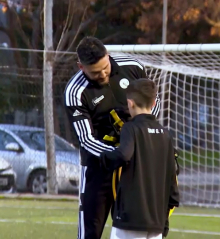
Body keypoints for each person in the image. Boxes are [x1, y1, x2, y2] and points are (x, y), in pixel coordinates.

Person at [64, 36, 161, 239]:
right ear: (81, 66)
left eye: (105, 68)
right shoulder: (75, 92)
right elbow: (86, 139)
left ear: (108, 55)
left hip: (133, 166)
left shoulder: (133, 67)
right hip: (99, 167)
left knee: (138, 228)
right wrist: (120, 153)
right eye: (95, 72)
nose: (103, 75)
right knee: (90, 232)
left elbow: (153, 103)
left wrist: (138, 142)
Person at [99, 78, 180, 239]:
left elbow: (123, 154)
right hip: (156, 220)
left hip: (130, 218)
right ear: (154, 104)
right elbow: (173, 175)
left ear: (130, 103)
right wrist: (165, 219)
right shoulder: (165, 134)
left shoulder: (131, 128)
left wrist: (104, 156)